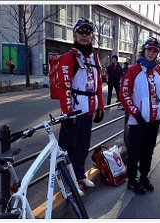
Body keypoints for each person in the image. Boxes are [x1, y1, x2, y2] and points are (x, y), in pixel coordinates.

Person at [57, 17, 104, 188]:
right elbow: (64, 86)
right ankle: (65, 184)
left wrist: (100, 106)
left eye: (88, 32)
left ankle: (78, 175)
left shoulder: (94, 58)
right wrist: (68, 111)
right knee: (68, 148)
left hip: (88, 110)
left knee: (83, 146)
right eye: (81, 32)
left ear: (92, 36)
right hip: (73, 111)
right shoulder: (69, 56)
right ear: (75, 35)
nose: (84, 35)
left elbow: (98, 84)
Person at [119, 37, 160, 195]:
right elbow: (124, 94)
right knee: (135, 153)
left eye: (155, 51)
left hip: (153, 122)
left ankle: (144, 178)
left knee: (148, 152)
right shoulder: (133, 70)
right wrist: (136, 113)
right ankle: (131, 181)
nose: (152, 53)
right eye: (149, 50)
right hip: (138, 122)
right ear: (143, 50)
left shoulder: (158, 72)